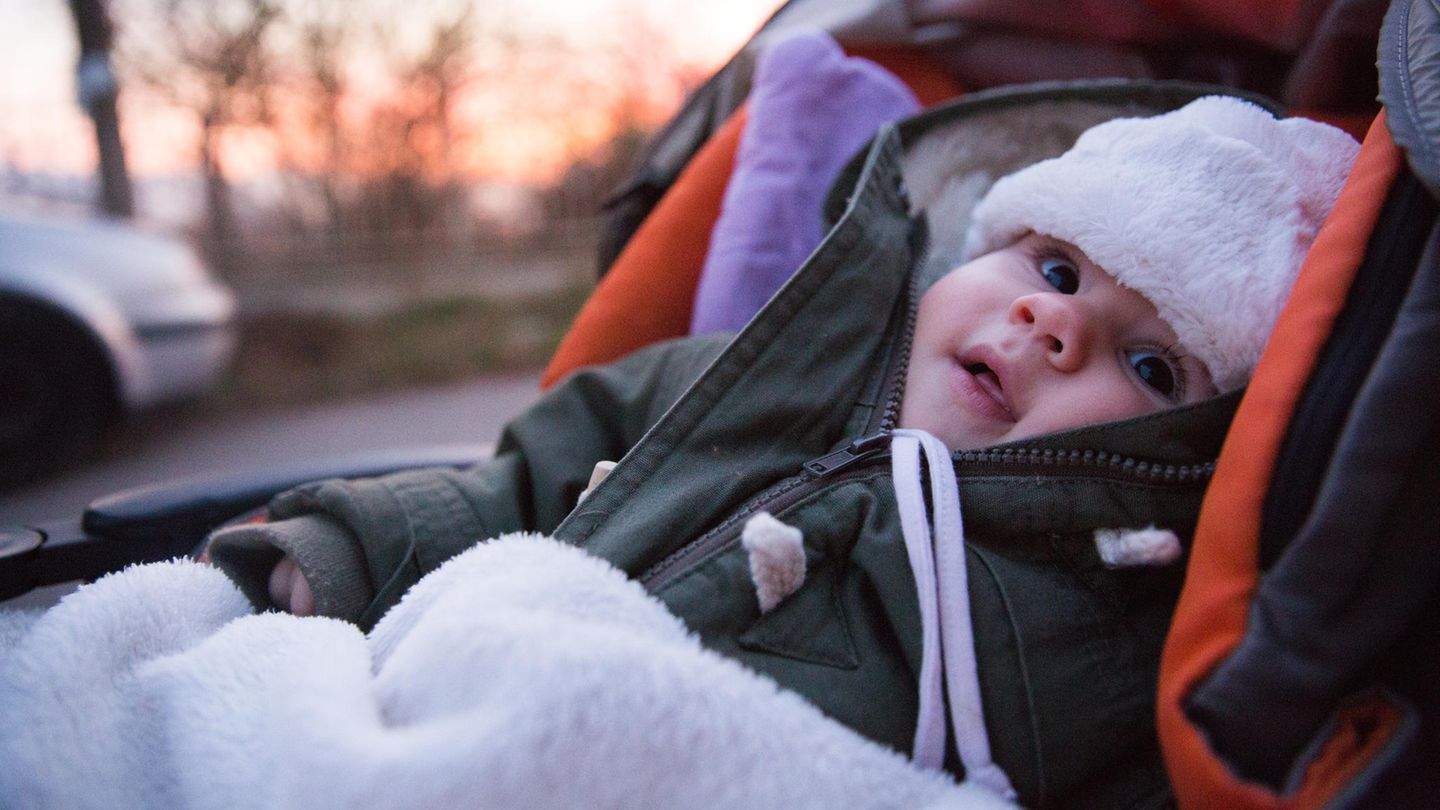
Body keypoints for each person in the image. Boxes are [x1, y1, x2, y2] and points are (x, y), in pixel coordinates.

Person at [207, 94, 1358, 807]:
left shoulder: (1115, 623)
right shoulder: (752, 373)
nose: (1054, 324)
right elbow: (525, 478)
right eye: (1054, 269)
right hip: (487, 682)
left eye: (1151, 365)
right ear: (967, 255)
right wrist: (358, 548)